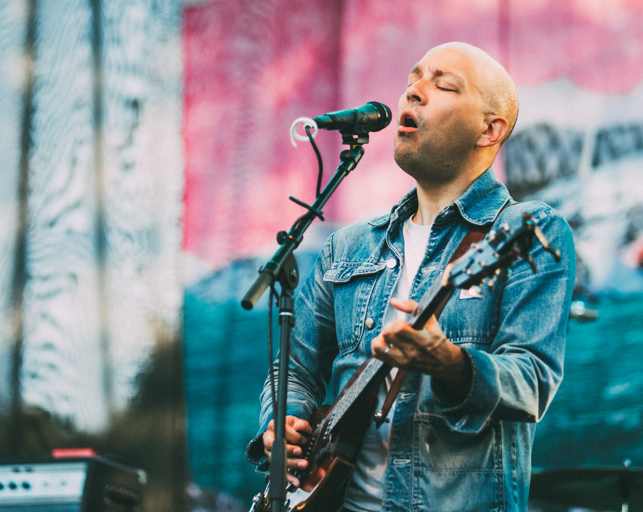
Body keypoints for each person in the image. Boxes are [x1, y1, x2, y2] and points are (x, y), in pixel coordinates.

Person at [246, 42, 576, 511]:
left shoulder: (527, 229)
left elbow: (532, 381)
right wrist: (284, 422)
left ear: (490, 129)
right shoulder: (348, 247)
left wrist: (450, 363)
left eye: (443, 85)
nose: (414, 92)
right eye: (411, 81)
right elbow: (296, 368)